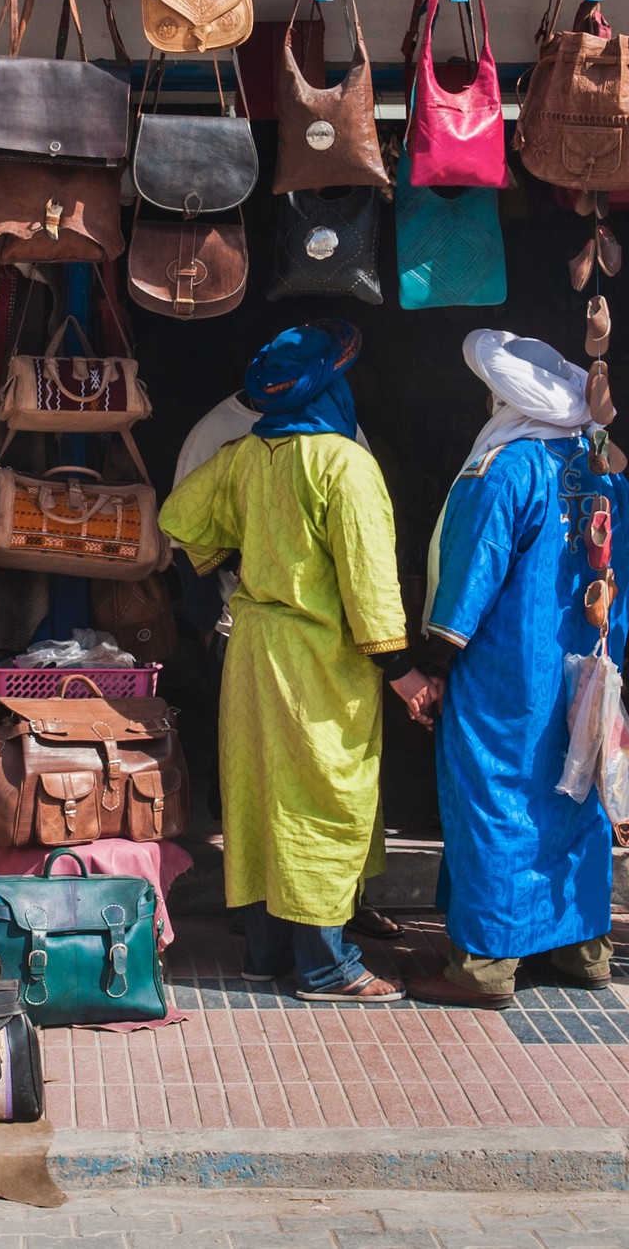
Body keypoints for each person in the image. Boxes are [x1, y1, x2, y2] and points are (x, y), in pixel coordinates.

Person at [160, 318, 408, 1003]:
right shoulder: (344, 464)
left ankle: (266, 954)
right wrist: (402, 669)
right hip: (318, 660)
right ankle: (326, 963)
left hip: (252, 651)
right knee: (321, 801)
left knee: (261, 798)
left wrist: (243, 558)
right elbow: (370, 584)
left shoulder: (246, 455)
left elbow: (180, 517)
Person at [391, 329, 629, 1008]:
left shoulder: (504, 468)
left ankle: (487, 965)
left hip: (507, 676)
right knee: (575, 792)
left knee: (499, 796)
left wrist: (436, 661)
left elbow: (471, 575)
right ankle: (583, 947)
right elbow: (626, 583)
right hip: (586, 665)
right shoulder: (604, 467)